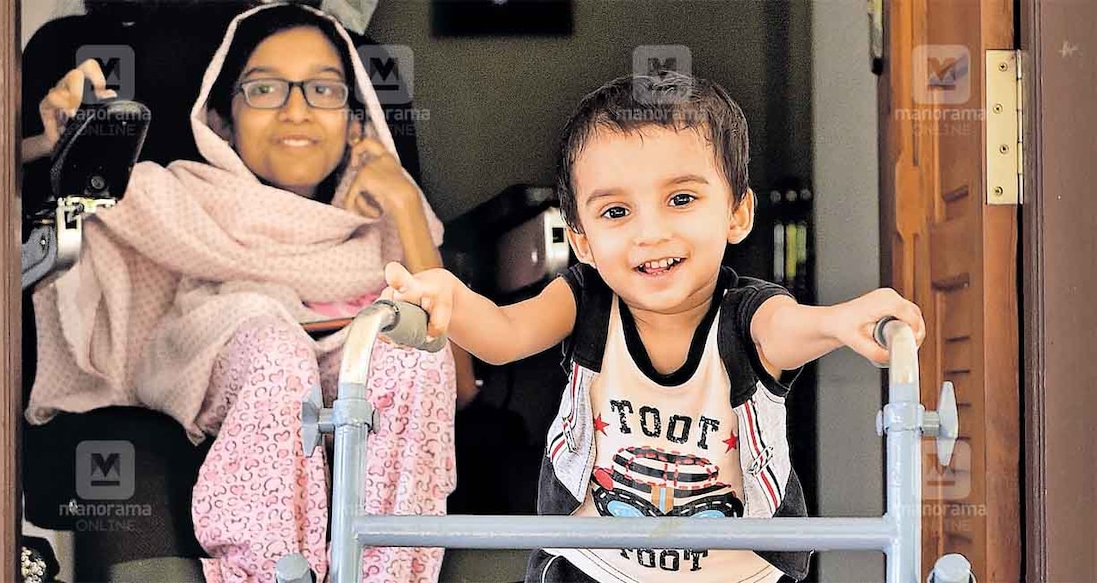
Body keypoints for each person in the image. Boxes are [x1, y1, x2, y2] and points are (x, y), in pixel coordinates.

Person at [382, 72, 927, 583]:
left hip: (731, 573)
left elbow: (786, 331)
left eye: (681, 199)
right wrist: (451, 297)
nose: (650, 232)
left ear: (737, 214)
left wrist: (838, 322)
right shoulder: (583, 299)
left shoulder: (748, 313)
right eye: (616, 212)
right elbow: (504, 335)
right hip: (595, 565)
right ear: (582, 241)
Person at [24, 4, 466, 581]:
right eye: (264, 89)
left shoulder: (387, 226)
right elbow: (76, 189)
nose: (297, 110)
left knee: (409, 357)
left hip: (346, 363)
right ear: (221, 119)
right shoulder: (179, 195)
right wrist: (53, 142)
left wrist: (406, 205)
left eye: (324, 90)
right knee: (273, 342)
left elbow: (456, 381)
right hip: (222, 348)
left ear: (355, 122)